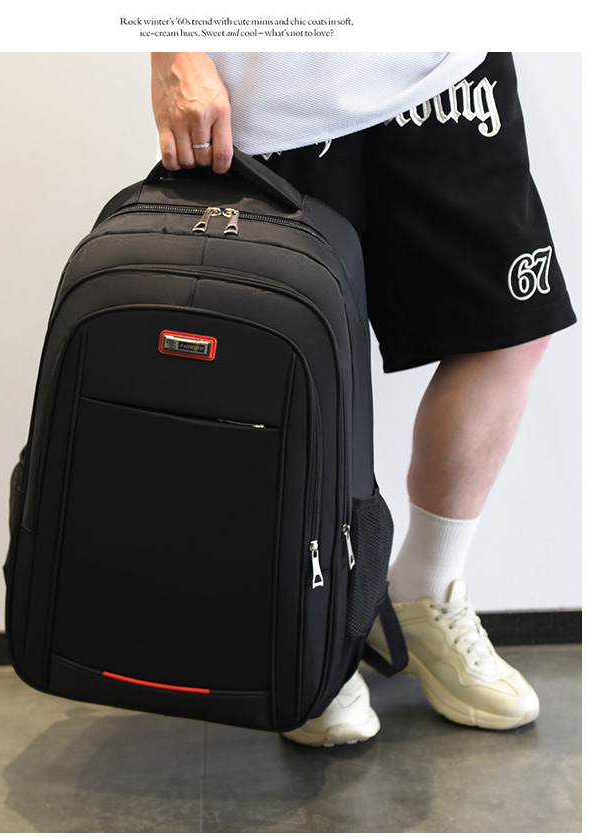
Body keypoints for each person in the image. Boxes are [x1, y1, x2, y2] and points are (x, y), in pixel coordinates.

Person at [150, 52, 577, 746]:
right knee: (289, 359)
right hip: (272, 88)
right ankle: (310, 625)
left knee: (511, 328)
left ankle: (426, 588)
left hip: (445, 66)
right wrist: (174, 48)